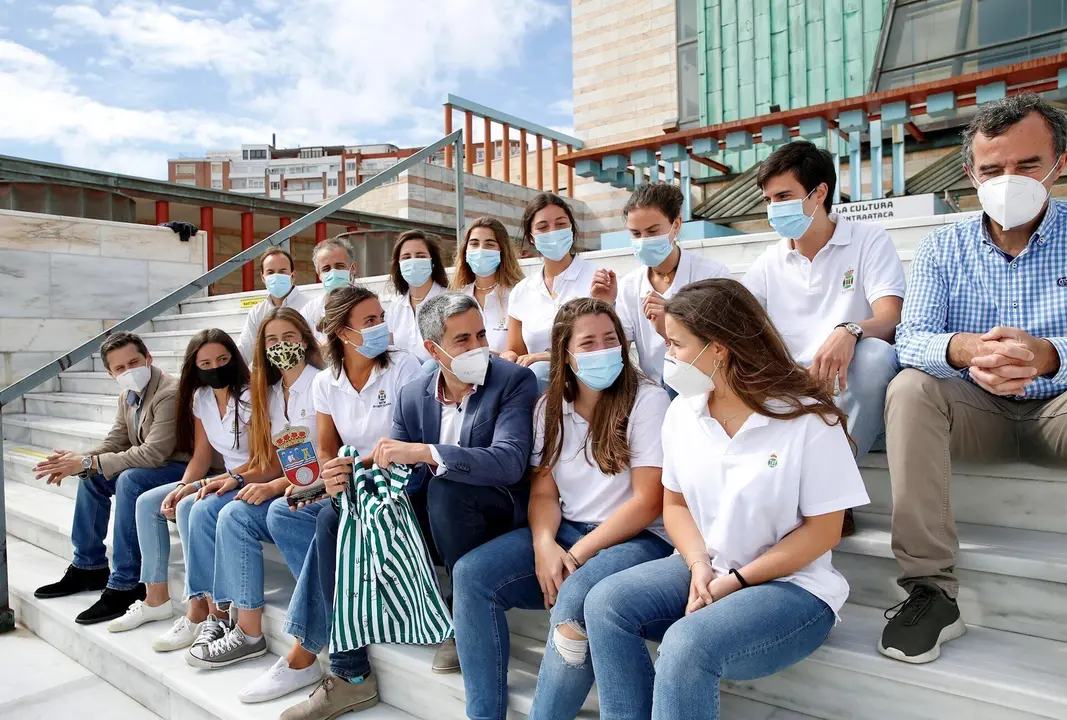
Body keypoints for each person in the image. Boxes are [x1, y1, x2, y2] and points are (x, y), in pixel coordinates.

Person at [584, 278, 870, 720]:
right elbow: (674, 504)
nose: (668, 356)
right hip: (709, 567)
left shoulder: (807, 420)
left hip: (793, 588)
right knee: (605, 604)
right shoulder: (684, 411)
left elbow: (824, 531)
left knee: (686, 643)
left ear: (718, 348)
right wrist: (699, 564)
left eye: (676, 344)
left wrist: (736, 581)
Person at [278, 292, 537, 720]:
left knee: (446, 488)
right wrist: (348, 482)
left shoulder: (512, 380)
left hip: (498, 512)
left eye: (480, 334)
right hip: (435, 514)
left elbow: (510, 463)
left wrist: (427, 452)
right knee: (338, 514)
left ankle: (461, 612)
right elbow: (401, 471)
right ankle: (350, 674)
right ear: (433, 350)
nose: (477, 347)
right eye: (462, 340)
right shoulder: (415, 393)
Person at [879, 93, 1067, 664]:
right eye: (993, 169)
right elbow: (909, 339)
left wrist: (1050, 356)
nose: (1009, 180)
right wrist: (962, 350)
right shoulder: (942, 247)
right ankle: (930, 591)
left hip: (1059, 407)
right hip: (975, 411)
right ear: (971, 174)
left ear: (1060, 162)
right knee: (908, 387)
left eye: (1027, 165)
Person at [452, 297, 673, 720]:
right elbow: (543, 492)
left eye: (610, 339)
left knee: (574, 601)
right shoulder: (549, 405)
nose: (603, 350)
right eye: (588, 343)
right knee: (471, 574)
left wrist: (575, 554)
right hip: (568, 529)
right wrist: (543, 544)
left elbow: (648, 502)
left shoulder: (647, 399)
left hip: (637, 539)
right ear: (565, 355)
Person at [244, 285, 422, 711]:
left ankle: (336, 662)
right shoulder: (327, 381)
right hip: (355, 482)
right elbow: (325, 446)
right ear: (343, 332)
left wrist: (349, 470)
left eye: (381, 317)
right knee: (284, 514)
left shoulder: (405, 367)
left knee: (331, 522)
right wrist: (329, 472)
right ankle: (355, 598)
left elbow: (409, 442)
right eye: (369, 321)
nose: (381, 327)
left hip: (403, 480)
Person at [742, 140, 905, 535]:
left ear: (819, 193)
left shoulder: (869, 239)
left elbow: (890, 316)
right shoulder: (769, 260)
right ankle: (818, 495)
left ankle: (829, 490)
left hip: (849, 384)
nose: (773, 209)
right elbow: (737, 318)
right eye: (768, 199)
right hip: (792, 384)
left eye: (784, 196)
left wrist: (848, 330)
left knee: (876, 357)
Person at [187, 309, 325, 669]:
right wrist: (236, 478)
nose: (282, 347)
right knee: (229, 512)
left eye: (289, 337)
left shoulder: (323, 384)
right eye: (272, 341)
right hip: (291, 485)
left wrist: (277, 485)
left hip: (320, 487)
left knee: (241, 513)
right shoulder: (271, 394)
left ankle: (256, 629)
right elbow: (274, 458)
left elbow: (328, 453)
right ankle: (242, 628)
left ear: (306, 339)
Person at [32, 332, 190, 625]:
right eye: (120, 368)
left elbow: (153, 454)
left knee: (128, 479)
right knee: (92, 476)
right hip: (154, 466)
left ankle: (126, 583)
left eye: (134, 362)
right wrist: (77, 461)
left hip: (184, 469)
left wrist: (87, 461)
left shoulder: (170, 392)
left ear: (148, 358)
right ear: (110, 373)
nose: (129, 372)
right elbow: (115, 442)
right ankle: (88, 566)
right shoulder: (127, 396)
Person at [127, 329, 252, 653]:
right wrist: (184, 485)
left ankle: (208, 611)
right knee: (149, 502)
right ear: (195, 367)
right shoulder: (201, 398)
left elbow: (262, 460)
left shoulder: (253, 394)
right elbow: (201, 455)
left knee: (189, 507)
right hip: (221, 474)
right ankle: (156, 598)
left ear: (234, 359)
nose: (215, 367)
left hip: (252, 476)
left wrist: (196, 488)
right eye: (206, 362)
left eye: (222, 359)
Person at [592, 182, 729, 383]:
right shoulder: (630, 286)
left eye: (653, 231)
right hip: (653, 390)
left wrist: (671, 327)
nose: (643, 240)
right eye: (636, 234)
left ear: (676, 225)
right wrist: (604, 306)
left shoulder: (711, 275)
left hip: (704, 384)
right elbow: (616, 354)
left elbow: (723, 346)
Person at [504, 193, 599, 390]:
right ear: (531, 237)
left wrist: (549, 357)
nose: (553, 232)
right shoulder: (522, 291)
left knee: (538, 372)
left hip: (584, 380)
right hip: (537, 386)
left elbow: (602, 343)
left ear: (572, 229)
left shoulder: (596, 279)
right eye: (542, 227)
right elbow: (516, 351)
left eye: (560, 224)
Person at [449, 216, 525, 354]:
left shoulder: (517, 294)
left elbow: (519, 353)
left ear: (502, 251)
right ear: (465, 250)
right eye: (474, 243)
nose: (481, 250)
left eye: (489, 244)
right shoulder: (457, 298)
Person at [384, 230, 449, 363]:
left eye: (420, 256)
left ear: (432, 262)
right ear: (399, 265)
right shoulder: (395, 306)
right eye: (406, 257)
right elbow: (389, 351)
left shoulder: (449, 300)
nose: (413, 261)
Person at [237, 247, 309, 362]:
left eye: (282, 271)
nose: (276, 276)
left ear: (293, 276)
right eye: (270, 272)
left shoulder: (309, 306)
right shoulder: (257, 312)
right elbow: (245, 350)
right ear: (263, 277)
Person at [300, 236, 359, 346]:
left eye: (339, 266)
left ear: (353, 268)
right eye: (326, 269)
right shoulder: (310, 311)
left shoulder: (369, 305)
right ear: (319, 275)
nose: (333, 272)